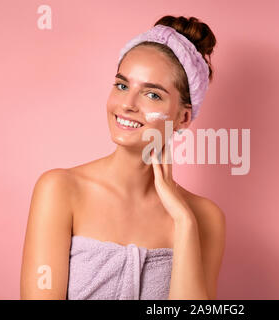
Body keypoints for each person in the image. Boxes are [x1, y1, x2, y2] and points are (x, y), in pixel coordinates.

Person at [20, 15, 226, 300]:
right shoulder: (59, 189)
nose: (127, 105)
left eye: (152, 95)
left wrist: (183, 222)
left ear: (183, 117)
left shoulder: (205, 219)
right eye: (122, 85)